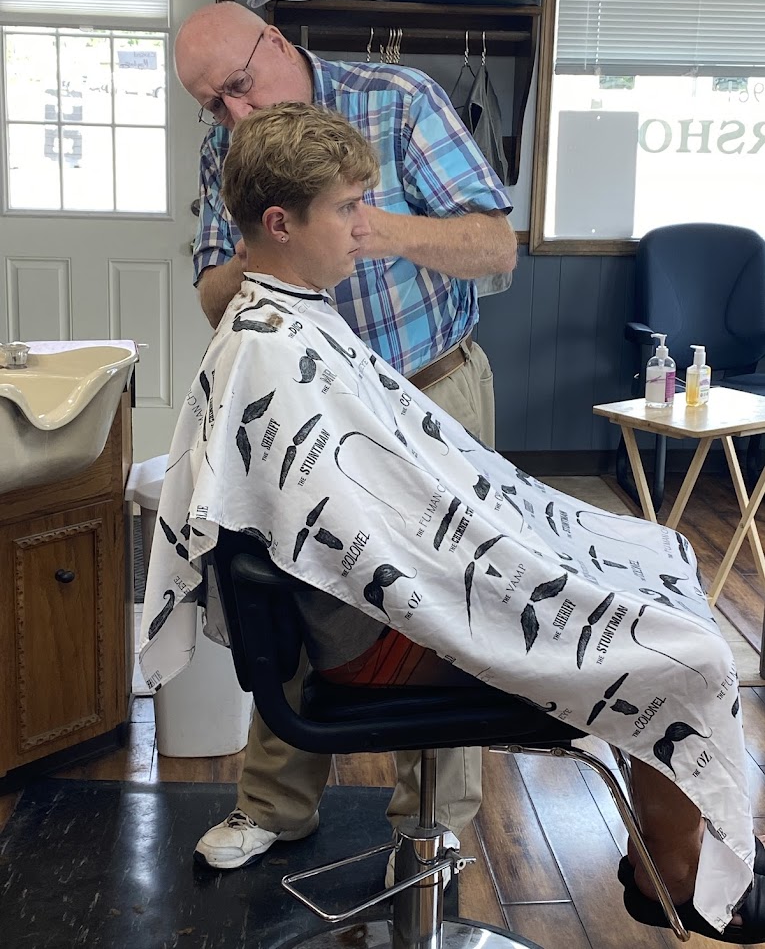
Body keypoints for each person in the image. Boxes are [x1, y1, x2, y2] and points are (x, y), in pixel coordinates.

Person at [140, 102, 765, 944]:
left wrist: (529, 538)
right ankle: (680, 879)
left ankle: (679, 849)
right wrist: (521, 560)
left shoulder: (285, 319)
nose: (366, 228)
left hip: (387, 605)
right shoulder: (272, 351)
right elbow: (375, 544)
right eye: (349, 208)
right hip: (379, 636)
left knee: (654, 556)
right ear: (281, 223)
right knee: (686, 652)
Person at [173, 0, 516, 874]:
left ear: (278, 44)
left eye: (243, 87)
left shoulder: (398, 100)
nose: (237, 115)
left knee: (445, 607)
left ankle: (428, 827)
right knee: (288, 591)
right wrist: (274, 240)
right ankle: (273, 806)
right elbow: (215, 291)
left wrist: (360, 222)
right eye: (214, 105)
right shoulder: (231, 148)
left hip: (431, 391)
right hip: (306, 410)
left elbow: (495, 246)